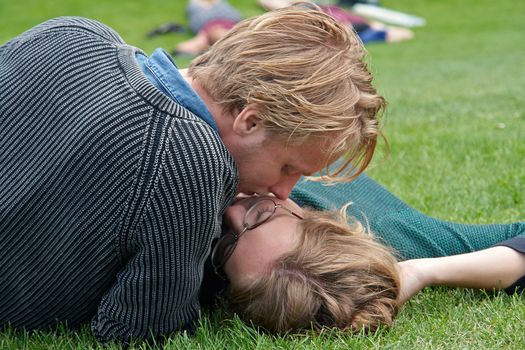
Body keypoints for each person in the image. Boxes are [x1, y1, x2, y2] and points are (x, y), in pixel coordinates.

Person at [0, 6, 383, 344]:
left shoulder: (69, 33)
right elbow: (137, 331)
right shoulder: (194, 164)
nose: (283, 193)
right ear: (251, 119)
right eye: (288, 168)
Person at [202, 172, 525, 333]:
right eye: (260, 212)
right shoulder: (394, 231)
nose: (229, 211)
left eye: (227, 242)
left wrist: (421, 271)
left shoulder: (397, 235)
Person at [258, 0, 414, 44]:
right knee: (402, 34)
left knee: (403, 33)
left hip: (345, 28)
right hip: (340, 30)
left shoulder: (329, 9)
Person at [172, 0, 242, 57]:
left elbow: (180, 48)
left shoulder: (204, 38)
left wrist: (205, 50)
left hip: (205, 20)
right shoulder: (238, 35)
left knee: (195, 4)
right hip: (228, 18)